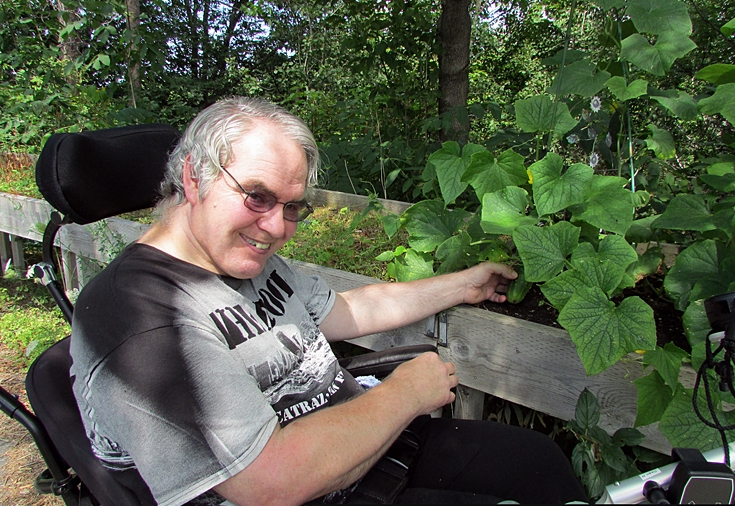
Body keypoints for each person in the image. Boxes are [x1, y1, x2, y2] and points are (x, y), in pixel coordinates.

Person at [70, 97, 587, 506]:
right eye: (257, 196)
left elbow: (346, 312)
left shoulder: (240, 255)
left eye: (293, 207)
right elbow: (269, 485)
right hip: (314, 486)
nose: (276, 228)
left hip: (371, 449)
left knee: (540, 464)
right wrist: (405, 393)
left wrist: (461, 285)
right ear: (192, 177)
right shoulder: (140, 320)